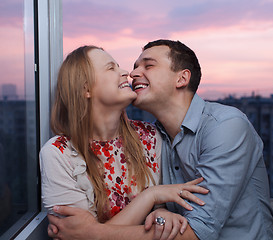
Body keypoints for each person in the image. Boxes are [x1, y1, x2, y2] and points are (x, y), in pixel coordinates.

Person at [48, 40, 273, 240]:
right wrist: (162, 209)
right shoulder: (159, 136)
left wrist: (93, 233)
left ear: (181, 78)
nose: (132, 73)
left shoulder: (225, 126)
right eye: (135, 65)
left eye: (148, 65)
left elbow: (199, 231)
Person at [41, 45, 209, 240]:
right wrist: (151, 195)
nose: (126, 73)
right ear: (86, 88)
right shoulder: (58, 153)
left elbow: (91, 233)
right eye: (111, 68)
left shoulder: (151, 136)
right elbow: (77, 236)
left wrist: (161, 212)